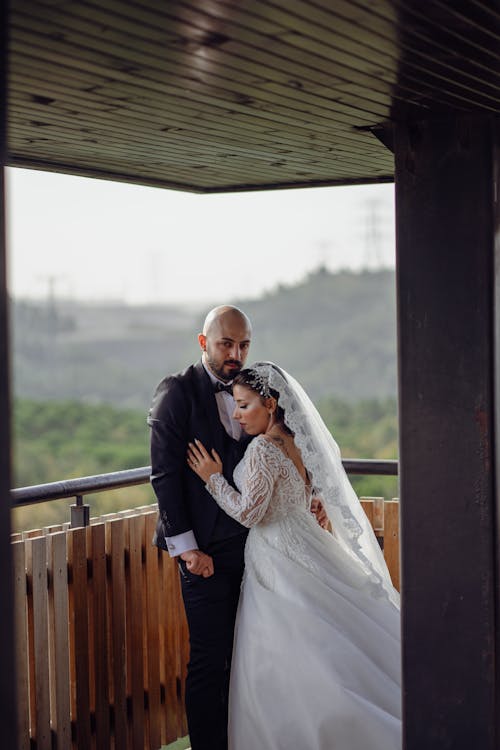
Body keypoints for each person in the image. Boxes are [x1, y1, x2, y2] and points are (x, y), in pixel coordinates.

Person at [187, 362, 402, 750]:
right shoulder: (297, 441)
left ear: (270, 404)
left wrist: (212, 479)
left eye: (244, 405)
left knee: (286, 647)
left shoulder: (262, 450)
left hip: (276, 554)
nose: (237, 415)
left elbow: (250, 513)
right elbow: (304, 493)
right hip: (309, 542)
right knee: (331, 632)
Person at [147, 305, 253, 750]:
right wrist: (188, 550)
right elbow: (165, 475)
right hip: (204, 553)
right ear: (203, 341)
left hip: (253, 549)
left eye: (244, 344)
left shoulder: (254, 388)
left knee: (248, 657)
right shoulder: (177, 392)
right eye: (226, 343)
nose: (236, 354)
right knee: (210, 661)